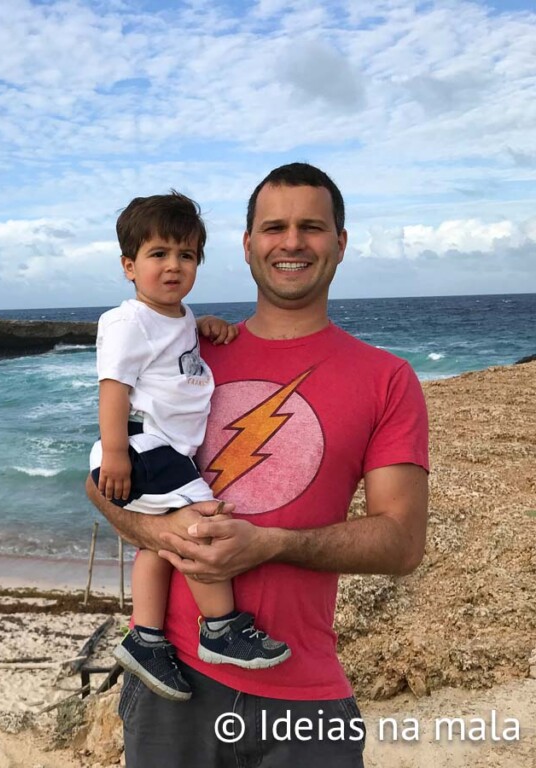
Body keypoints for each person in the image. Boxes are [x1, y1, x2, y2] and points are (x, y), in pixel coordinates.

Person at [86, 163, 429, 768]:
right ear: (248, 245)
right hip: (175, 682)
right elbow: (102, 481)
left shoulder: (387, 379)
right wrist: (162, 532)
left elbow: (402, 544)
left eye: (311, 227)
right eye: (274, 227)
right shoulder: (189, 352)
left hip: (304, 690)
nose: (292, 242)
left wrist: (269, 544)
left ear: (340, 242)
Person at [90, 191, 291, 704]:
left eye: (186, 255)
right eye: (158, 254)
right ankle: (220, 627)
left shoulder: (177, 317)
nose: (173, 266)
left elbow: (171, 350)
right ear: (129, 266)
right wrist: (115, 453)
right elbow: (114, 388)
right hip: (143, 446)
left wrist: (202, 328)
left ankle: (145, 637)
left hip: (165, 450)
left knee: (159, 544)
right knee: (203, 525)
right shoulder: (127, 322)